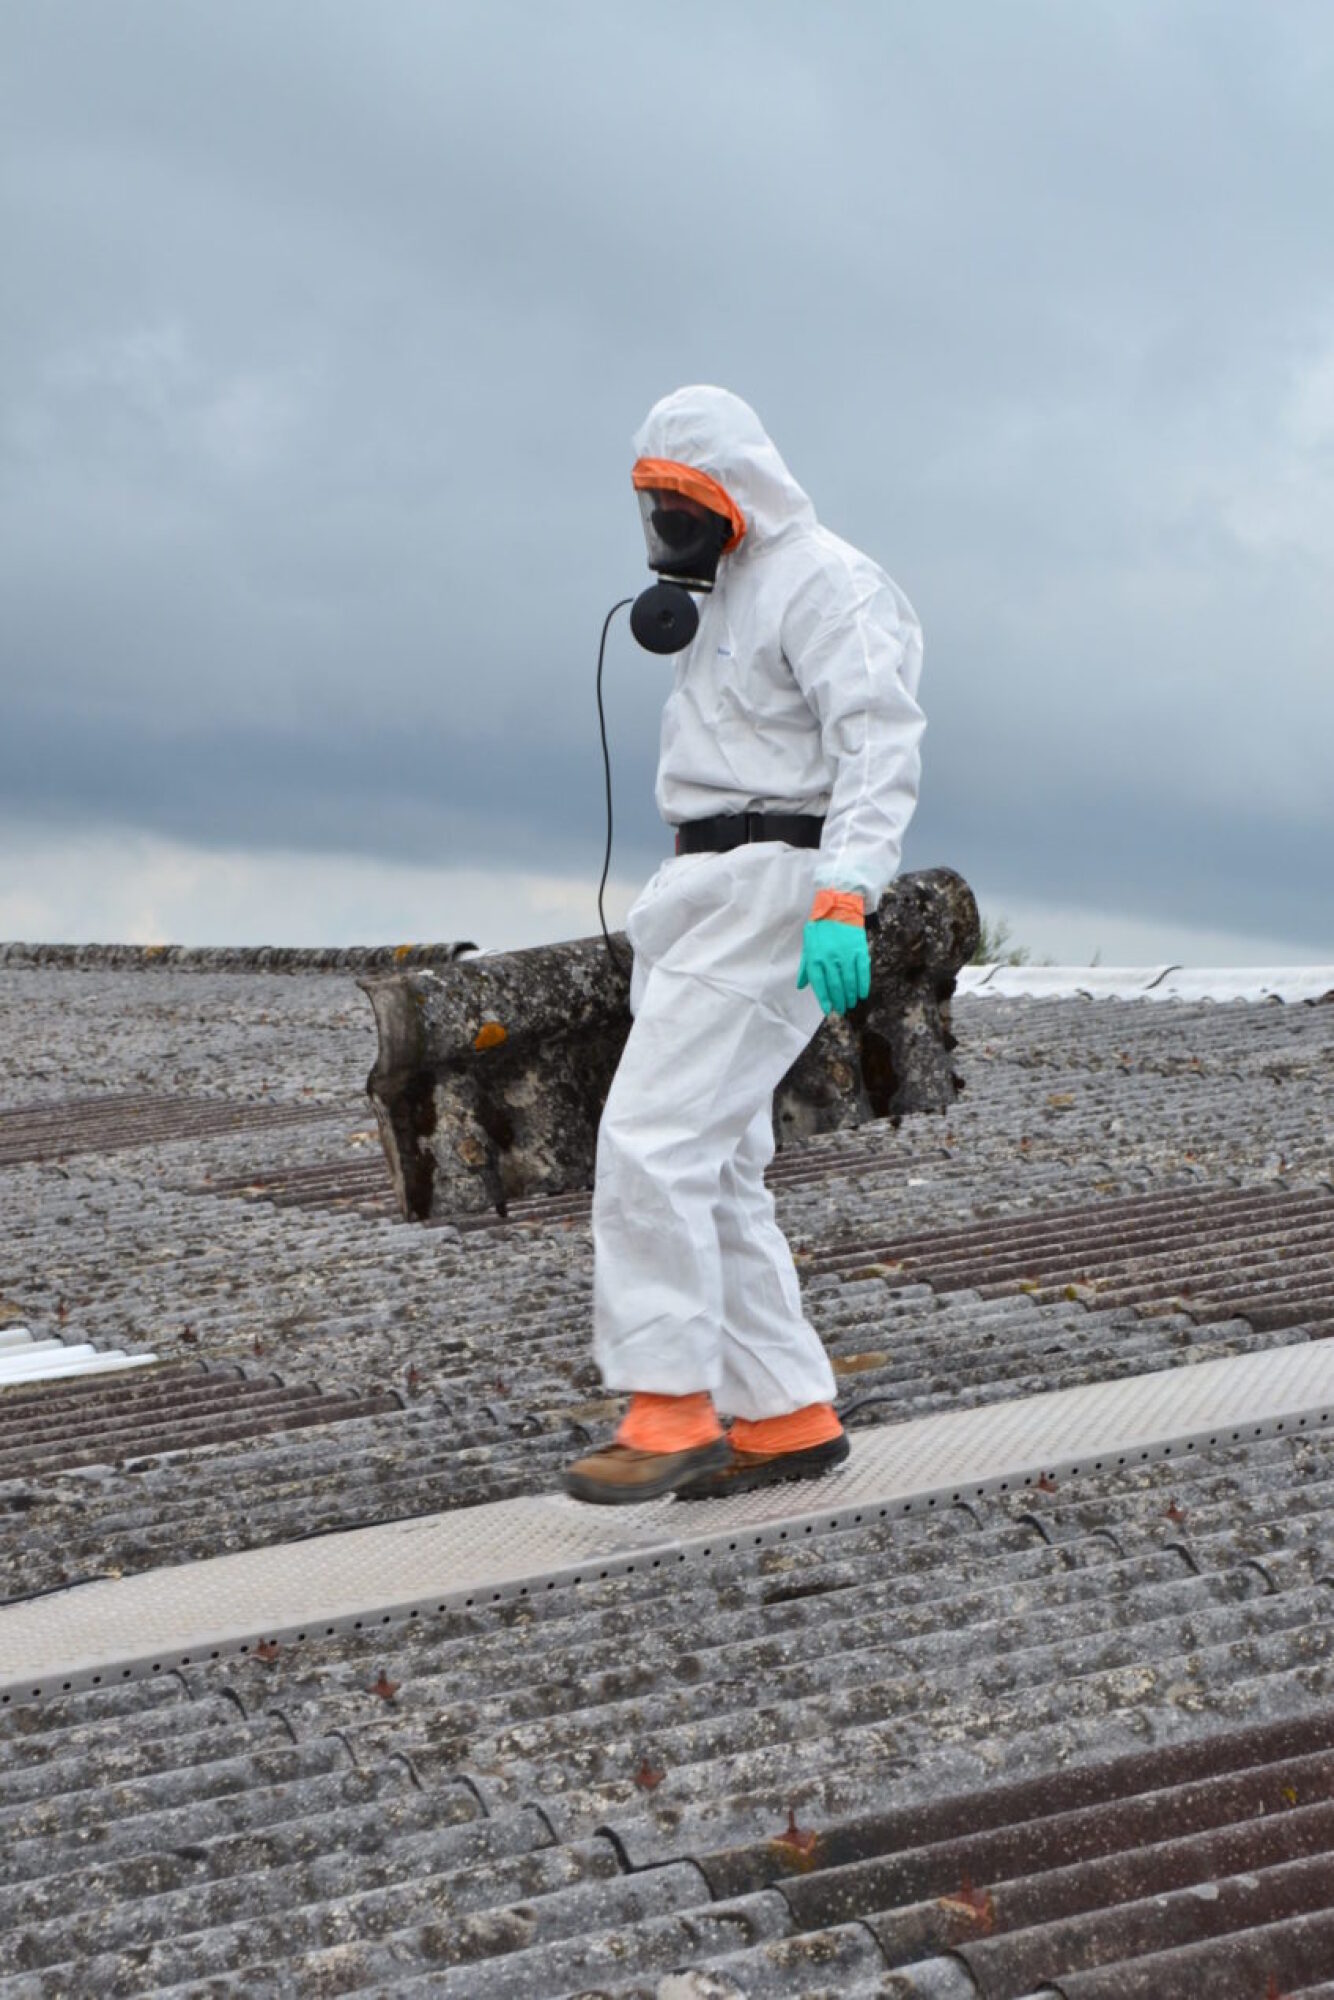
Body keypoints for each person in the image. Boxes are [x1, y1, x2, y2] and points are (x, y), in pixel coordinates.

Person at [564, 385, 925, 1505]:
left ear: (739, 489)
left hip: (776, 883)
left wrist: (844, 894)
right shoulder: (718, 594)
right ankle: (784, 1410)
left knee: (652, 1138)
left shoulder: (825, 581)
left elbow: (877, 740)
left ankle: (668, 1402)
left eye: (685, 499)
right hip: (699, 887)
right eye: (655, 502)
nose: (669, 523)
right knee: (714, 1164)